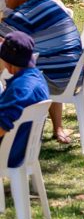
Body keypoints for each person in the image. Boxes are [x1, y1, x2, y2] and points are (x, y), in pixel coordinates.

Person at [0, 0, 83, 144]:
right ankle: (57, 127)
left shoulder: (22, 17)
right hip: (72, 73)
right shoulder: (47, 4)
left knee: (5, 54)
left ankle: (5, 116)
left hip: (55, 77)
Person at [0, 31, 50, 167]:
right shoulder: (36, 76)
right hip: (23, 147)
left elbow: (2, 124)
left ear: (10, 65)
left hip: (9, 153)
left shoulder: (21, 89)